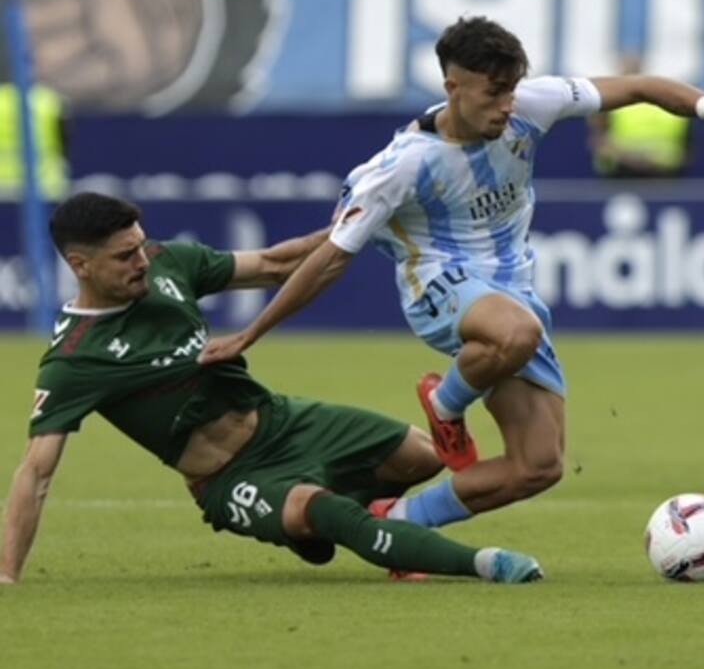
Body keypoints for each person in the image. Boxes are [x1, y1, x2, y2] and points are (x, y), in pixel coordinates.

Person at [200, 16, 704, 532]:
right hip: (438, 286)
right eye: (493, 92)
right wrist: (253, 334)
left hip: (512, 291)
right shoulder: (400, 167)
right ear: (453, 87)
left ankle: (399, 523)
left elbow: (638, 87)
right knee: (515, 332)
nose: (507, 105)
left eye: (512, 89)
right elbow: (329, 256)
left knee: (538, 466)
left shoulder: (531, 105)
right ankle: (446, 404)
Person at [0, 192, 543, 585]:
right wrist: (6, 576)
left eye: (140, 246)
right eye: (125, 256)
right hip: (228, 475)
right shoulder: (75, 359)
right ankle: (480, 563)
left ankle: (334, 527)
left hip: (282, 420)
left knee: (422, 460)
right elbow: (37, 471)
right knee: (325, 510)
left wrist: (358, 225)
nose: (143, 260)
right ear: (80, 265)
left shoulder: (168, 265)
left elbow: (273, 265)